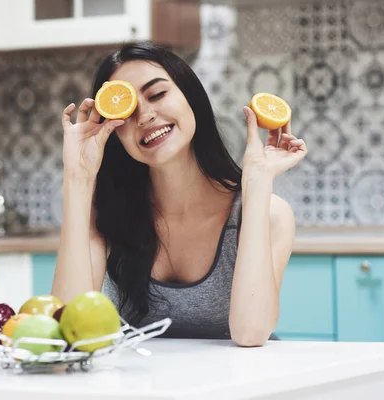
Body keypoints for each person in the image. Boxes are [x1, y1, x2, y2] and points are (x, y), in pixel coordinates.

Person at [51, 42, 308, 347]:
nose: (144, 116)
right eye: (127, 110)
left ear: (191, 97)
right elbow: (67, 332)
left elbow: (250, 333)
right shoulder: (106, 215)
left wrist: (258, 182)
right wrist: (78, 178)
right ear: (113, 131)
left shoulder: (270, 214)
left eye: (157, 94)